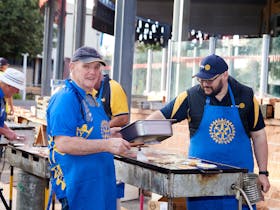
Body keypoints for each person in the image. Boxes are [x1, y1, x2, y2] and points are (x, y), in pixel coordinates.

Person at [147, 54, 270, 210]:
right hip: (200, 182)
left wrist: (263, 173)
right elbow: (160, 117)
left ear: (225, 75)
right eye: (201, 79)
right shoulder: (191, 96)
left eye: (210, 80)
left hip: (241, 182)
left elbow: (259, 135)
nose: (204, 84)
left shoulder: (246, 96)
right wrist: (137, 134)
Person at [47, 46, 131, 210]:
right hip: (79, 187)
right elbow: (64, 143)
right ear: (72, 67)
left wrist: (111, 134)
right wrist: (107, 145)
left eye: (96, 67)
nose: (92, 72)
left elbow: (89, 130)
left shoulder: (91, 96)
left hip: (99, 185)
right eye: (86, 66)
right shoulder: (66, 97)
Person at [0, 68, 25, 141]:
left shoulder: (2, 98)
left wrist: (9, 131)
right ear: (8, 85)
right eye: (17, 88)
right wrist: (5, 132)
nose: (17, 92)